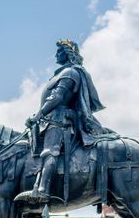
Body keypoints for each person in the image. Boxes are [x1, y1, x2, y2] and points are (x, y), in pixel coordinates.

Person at [15, 39, 121, 204]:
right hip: (48, 120)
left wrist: (39, 114)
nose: (56, 54)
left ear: (68, 53)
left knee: (50, 152)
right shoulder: (61, 73)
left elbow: (57, 97)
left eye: (60, 51)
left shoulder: (70, 73)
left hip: (59, 120)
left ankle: (42, 190)